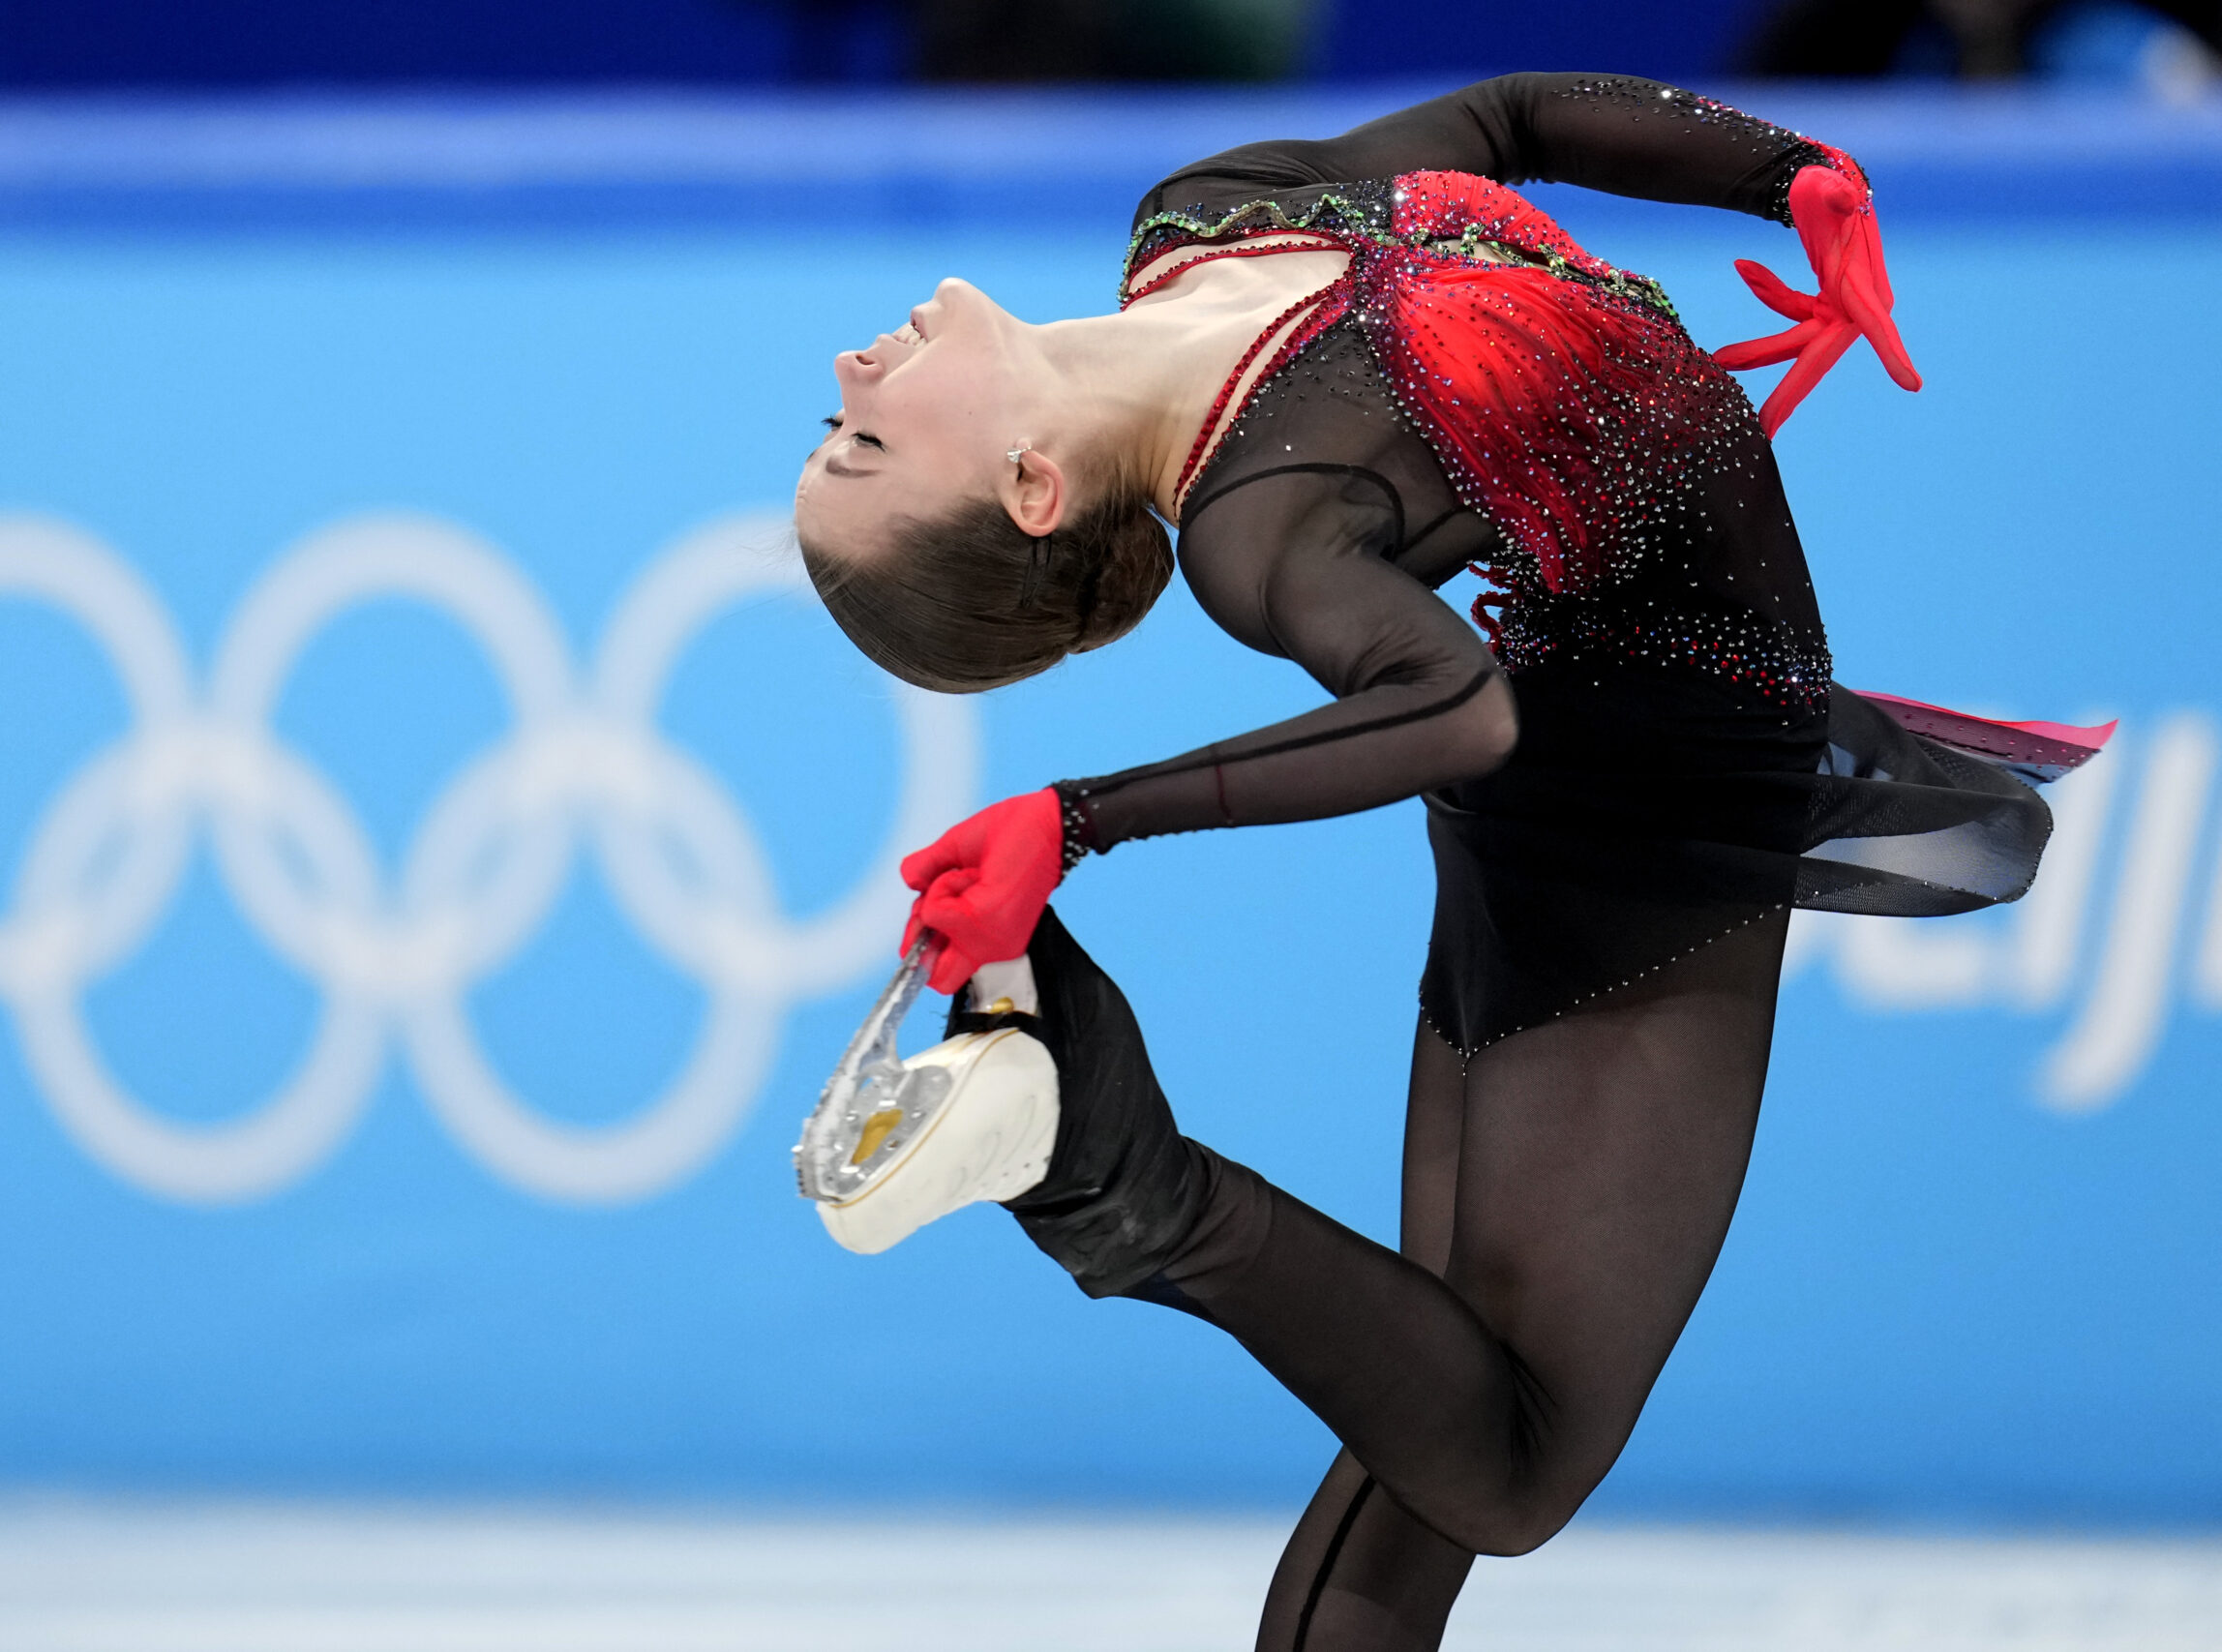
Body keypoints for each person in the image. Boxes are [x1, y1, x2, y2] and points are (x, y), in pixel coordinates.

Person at [791, 73, 2108, 1651]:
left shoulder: (1206, 217)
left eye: (836, 429)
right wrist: (1080, 817)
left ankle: (1115, 1169)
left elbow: (1507, 121)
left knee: (1436, 1421)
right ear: (1029, 491)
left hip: (1601, 742)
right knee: (1508, 1461)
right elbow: (1453, 710)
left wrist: (1793, 175)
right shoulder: (1260, 523)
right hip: (1641, 820)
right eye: (867, 437)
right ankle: (1133, 1184)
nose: (852, 367)